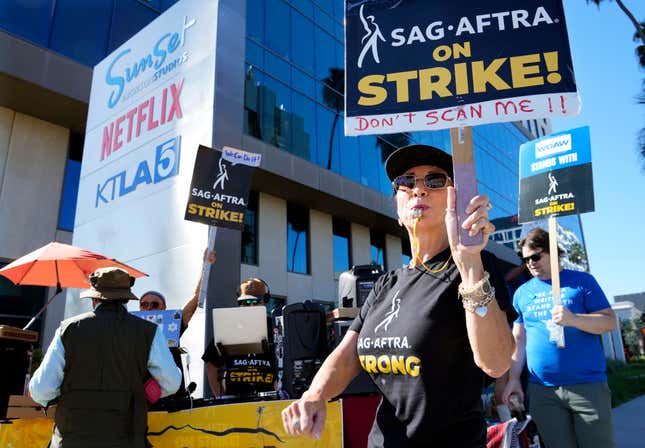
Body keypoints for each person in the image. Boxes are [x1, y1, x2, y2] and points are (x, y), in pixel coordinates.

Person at [281, 144, 514, 447]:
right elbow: (348, 356)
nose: (419, 189)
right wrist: (315, 395)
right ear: (397, 207)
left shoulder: (473, 268)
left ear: (455, 200)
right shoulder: (386, 284)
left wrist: (470, 264)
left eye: (435, 180)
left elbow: (496, 363)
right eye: (406, 182)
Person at [29, 267, 181, 448]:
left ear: (94, 298)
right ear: (126, 298)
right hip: (126, 440)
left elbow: (41, 390)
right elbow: (171, 383)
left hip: (71, 440)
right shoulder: (150, 332)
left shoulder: (68, 329)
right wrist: (142, 394)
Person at [501, 227, 617, 448]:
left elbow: (609, 321)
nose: (530, 263)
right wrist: (513, 379)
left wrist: (574, 319)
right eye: (525, 259)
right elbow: (519, 340)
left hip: (587, 386)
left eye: (536, 256)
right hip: (542, 390)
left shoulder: (582, 281)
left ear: (552, 253)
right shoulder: (522, 293)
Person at [139, 248, 215, 402]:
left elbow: (196, 299)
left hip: (174, 399)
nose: (149, 308)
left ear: (164, 308)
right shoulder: (131, 327)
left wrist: (205, 265)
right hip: (143, 398)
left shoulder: (171, 325)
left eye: (154, 304)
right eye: (144, 304)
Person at [202, 277, 276, 399]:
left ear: (265, 301)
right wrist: (219, 395)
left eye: (256, 301)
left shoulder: (275, 327)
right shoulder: (229, 326)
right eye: (246, 302)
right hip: (234, 400)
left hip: (268, 398)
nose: (251, 305)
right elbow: (211, 363)